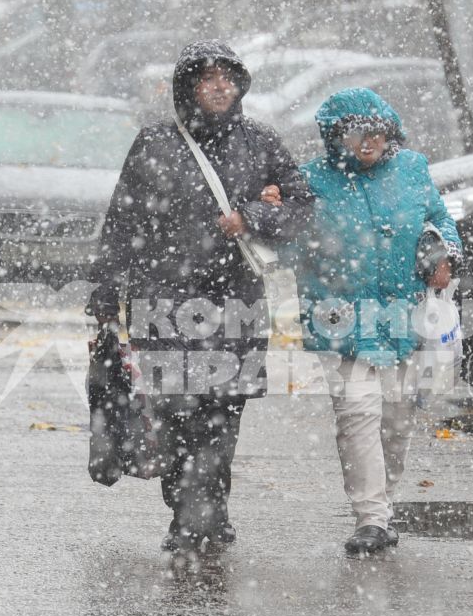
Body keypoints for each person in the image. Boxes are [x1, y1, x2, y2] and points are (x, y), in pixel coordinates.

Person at [87, 40, 313, 554]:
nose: (218, 86)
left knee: (222, 409)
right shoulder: (155, 143)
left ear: (239, 86)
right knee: (174, 410)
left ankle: (202, 511)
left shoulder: (260, 143)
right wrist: (105, 291)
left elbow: (301, 206)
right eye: (207, 77)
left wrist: (253, 217)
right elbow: (123, 222)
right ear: (187, 86)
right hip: (162, 300)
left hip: (235, 299)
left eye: (226, 78)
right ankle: (193, 505)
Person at [293, 88, 460, 555]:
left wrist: (446, 254)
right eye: (354, 132)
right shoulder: (310, 180)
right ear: (335, 136)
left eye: (375, 130)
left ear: (390, 130)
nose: (367, 141)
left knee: (396, 418)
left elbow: (441, 221)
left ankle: (384, 505)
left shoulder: (412, 169)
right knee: (357, 413)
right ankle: (370, 517)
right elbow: (282, 231)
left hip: (405, 317)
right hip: (344, 318)